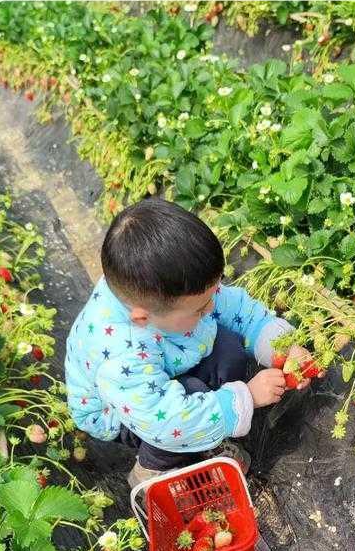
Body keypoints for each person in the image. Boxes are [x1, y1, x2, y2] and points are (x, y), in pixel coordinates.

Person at [65, 198, 313, 490]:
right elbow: (166, 421)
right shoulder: (121, 355)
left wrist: (281, 345)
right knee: (189, 398)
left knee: (229, 349)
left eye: (210, 296)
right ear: (142, 317)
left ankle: (208, 422)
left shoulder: (164, 291)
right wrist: (245, 398)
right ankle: (150, 472)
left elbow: (235, 307)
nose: (210, 308)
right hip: (127, 412)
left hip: (163, 360)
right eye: (198, 309)